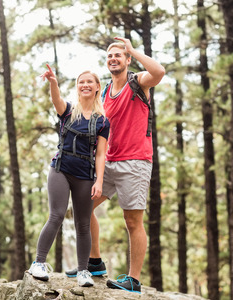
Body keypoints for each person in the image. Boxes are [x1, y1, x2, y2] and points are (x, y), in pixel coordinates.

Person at [66, 37, 165, 293]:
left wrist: (133, 49)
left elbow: (159, 72)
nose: (113, 58)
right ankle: (95, 262)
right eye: (110, 56)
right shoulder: (106, 92)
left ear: (127, 59)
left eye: (119, 55)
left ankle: (133, 280)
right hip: (109, 161)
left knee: (132, 221)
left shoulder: (138, 82)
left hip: (135, 161)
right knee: (83, 206)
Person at [28, 64, 110, 288]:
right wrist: (53, 83)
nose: (85, 85)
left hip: (85, 174)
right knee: (56, 215)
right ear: (77, 87)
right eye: (81, 82)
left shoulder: (102, 121)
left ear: (96, 88)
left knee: (83, 224)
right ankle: (39, 263)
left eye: (89, 82)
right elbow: (56, 101)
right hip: (61, 169)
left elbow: (101, 154)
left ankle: (84, 271)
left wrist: (100, 181)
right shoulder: (68, 110)